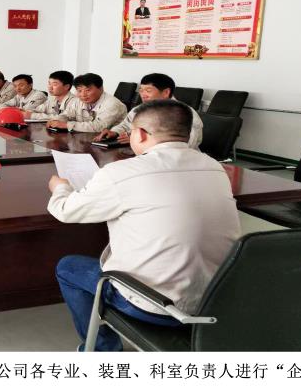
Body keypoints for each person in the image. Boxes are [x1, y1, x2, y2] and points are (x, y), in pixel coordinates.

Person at [47, 100, 241, 351]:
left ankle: (102, 350)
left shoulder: (121, 172)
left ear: (140, 134)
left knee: (68, 268)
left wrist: (60, 188)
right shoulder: (215, 168)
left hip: (155, 305)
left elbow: (66, 211)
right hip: (217, 298)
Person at [94, 73, 203, 148]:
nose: (143, 95)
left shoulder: (186, 114)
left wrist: (140, 140)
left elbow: (188, 144)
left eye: (148, 91)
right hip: (140, 153)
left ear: (166, 92)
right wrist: (114, 132)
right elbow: (125, 125)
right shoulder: (139, 110)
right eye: (141, 90)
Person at [46, 73, 127, 132]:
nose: (83, 95)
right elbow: (67, 115)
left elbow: (99, 127)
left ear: (101, 88)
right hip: (85, 139)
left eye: (88, 90)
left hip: (110, 143)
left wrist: (66, 125)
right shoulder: (78, 101)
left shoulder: (112, 104)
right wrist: (56, 121)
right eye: (79, 90)